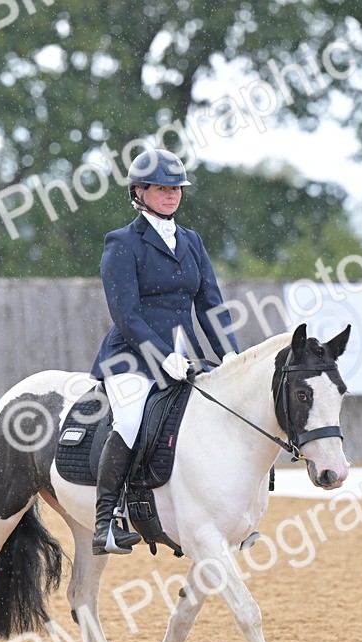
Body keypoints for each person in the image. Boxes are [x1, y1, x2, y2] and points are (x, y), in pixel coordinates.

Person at [88, 148, 240, 555]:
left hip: (184, 356)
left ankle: (229, 515)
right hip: (131, 357)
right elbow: (126, 315)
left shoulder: (191, 241)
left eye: (176, 189)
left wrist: (230, 355)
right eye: (161, 188)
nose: (171, 195)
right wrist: (161, 356)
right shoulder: (122, 243)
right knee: (130, 420)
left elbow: (210, 304)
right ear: (138, 192)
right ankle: (106, 521)